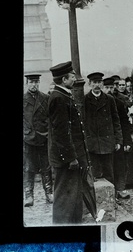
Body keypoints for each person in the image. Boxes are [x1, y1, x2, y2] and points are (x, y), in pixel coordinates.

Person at [48, 61, 93, 224]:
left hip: (70, 157)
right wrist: (71, 158)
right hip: (66, 160)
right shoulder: (59, 98)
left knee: (73, 196)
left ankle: (73, 225)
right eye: (72, 75)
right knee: (64, 199)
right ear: (64, 79)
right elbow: (61, 133)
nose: (75, 78)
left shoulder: (63, 95)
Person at [84, 72, 123, 187]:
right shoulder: (85, 100)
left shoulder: (109, 99)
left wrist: (118, 140)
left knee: (109, 171)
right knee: (94, 172)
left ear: (102, 83)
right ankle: (96, 200)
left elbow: (116, 121)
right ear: (89, 84)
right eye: (94, 82)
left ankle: (112, 199)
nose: (97, 85)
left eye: (99, 82)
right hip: (93, 142)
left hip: (107, 141)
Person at [23, 73, 53, 207]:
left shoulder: (45, 98)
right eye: (31, 82)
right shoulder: (23, 99)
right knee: (29, 168)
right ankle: (28, 195)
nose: (34, 85)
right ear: (27, 83)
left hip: (43, 137)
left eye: (36, 82)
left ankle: (49, 193)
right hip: (28, 138)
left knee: (46, 167)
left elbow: (50, 118)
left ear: (39, 82)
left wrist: (47, 132)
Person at [103, 77, 132, 199]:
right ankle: (110, 192)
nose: (109, 90)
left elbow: (124, 123)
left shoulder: (118, 103)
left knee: (119, 165)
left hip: (117, 139)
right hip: (104, 140)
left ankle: (120, 189)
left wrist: (126, 141)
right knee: (107, 166)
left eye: (111, 87)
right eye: (107, 87)